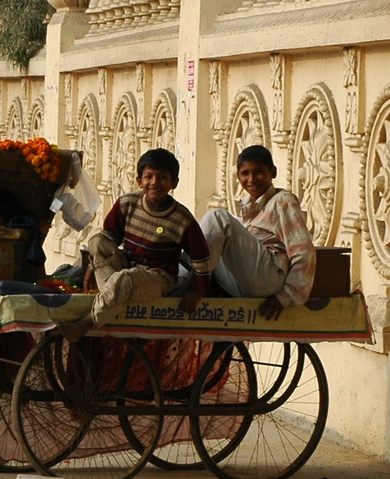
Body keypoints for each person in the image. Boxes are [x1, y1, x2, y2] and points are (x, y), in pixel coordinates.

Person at [58, 148, 212, 344]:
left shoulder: (182, 219)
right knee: (96, 239)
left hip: (157, 278)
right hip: (126, 266)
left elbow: (201, 260)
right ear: (140, 180)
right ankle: (112, 300)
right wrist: (92, 265)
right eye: (149, 177)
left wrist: (197, 292)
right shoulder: (127, 203)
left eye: (162, 178)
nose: (155, 183)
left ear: (174, 183)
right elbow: (107, 240)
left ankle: (87, 322)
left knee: (124, 279)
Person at [194, 144, 315, 321]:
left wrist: (285, 297)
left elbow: (303, 252)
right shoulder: (248, 207)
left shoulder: (283, 201)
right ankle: (181, 286)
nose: (251, 179)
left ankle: (195, 286)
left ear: (273, 172)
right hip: (246, 282)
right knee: (193, 242)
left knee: (217, 218)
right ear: (238, 176)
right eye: (245, 174)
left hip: (268, 279)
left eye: (258, 172)